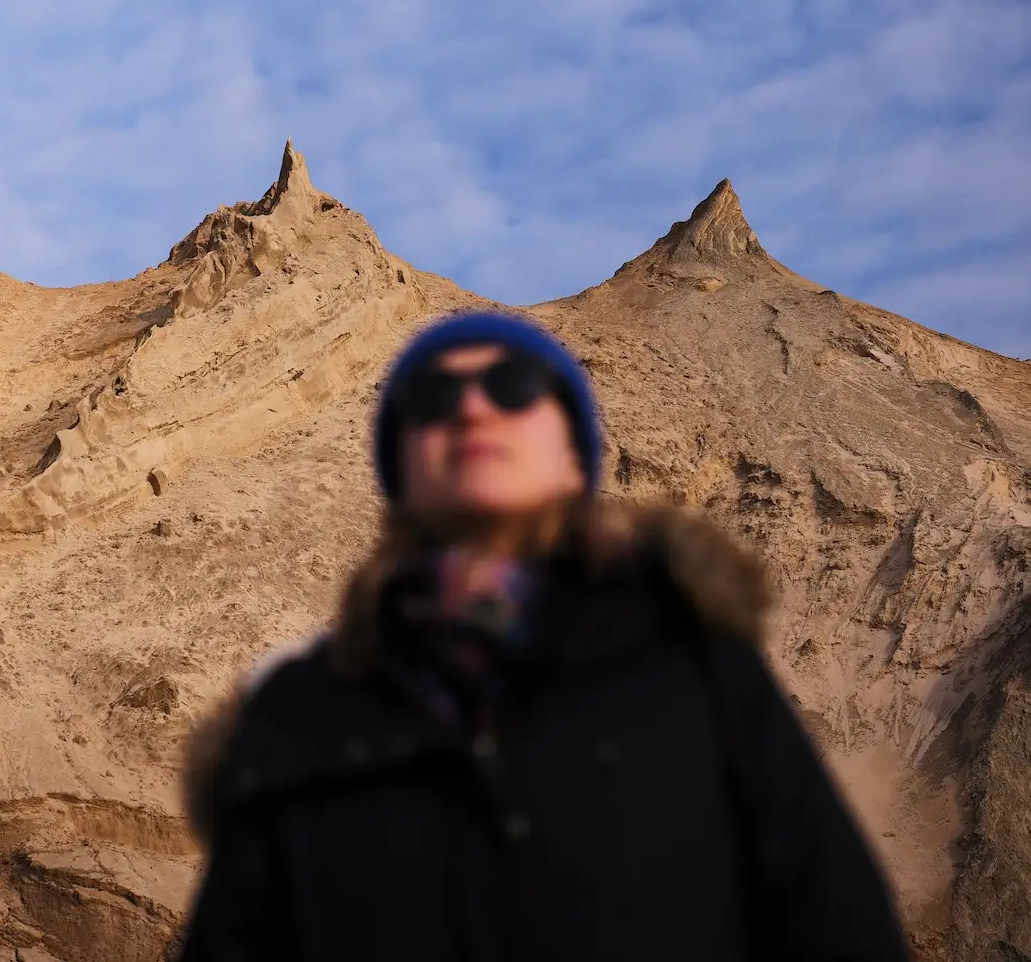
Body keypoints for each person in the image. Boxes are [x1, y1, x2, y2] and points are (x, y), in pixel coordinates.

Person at [178, 309, 909, 961]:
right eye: (433, 398)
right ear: (401, 466)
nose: (470, 408)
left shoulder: (696, 669)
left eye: (514, 386)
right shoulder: (299, 716)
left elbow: (837, 925)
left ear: (573, 456)